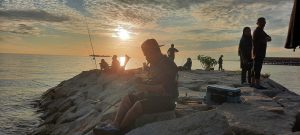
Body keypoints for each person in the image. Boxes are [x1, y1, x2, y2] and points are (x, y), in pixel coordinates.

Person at [96, 39, 178, 134]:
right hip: (155, 95)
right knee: (128, 98)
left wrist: (143, 87)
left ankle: (119, 130)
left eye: (146, 55)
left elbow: (163, 89)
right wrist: (143, 81)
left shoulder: (168, 64)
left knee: (138, 105)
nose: (146, 58)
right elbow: (153, 81)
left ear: (153, 51)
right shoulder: (154, 64)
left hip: (168, 99)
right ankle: (115, 124)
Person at [252, 17, 272, 89]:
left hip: (260, 53)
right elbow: (258, 41)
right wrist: (265, 39)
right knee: (257, 69)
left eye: (264, 22)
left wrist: (266, 39)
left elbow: (269, 38)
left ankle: (254, 83)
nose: (264, 23)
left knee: (256, 68)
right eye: (263, 22)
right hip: (258, 53)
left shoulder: (262, 31)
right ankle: (256, 84)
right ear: (259, 23)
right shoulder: (257, 31)